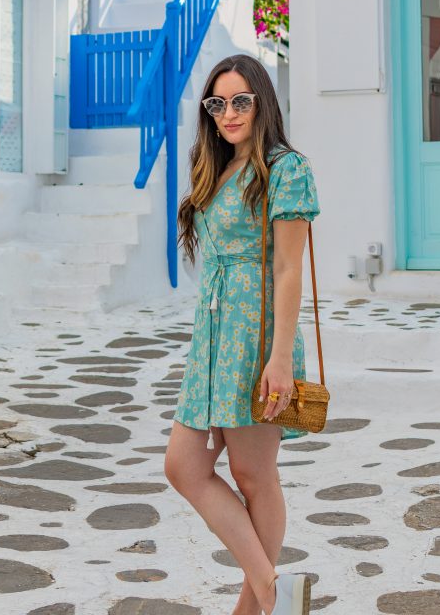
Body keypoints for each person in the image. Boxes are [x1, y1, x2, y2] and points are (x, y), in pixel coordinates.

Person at [164, 53, 320, 615]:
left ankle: (253, 606)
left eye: (240, 101)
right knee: (185, 467)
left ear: (262, 102)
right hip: (212, 340)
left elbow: (287, 269)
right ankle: (274, 588)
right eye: (217, 103)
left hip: (256, 340)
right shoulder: (217, 165)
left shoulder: (285, 168)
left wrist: (279, 360)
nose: (228, 113)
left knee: (254, 475)